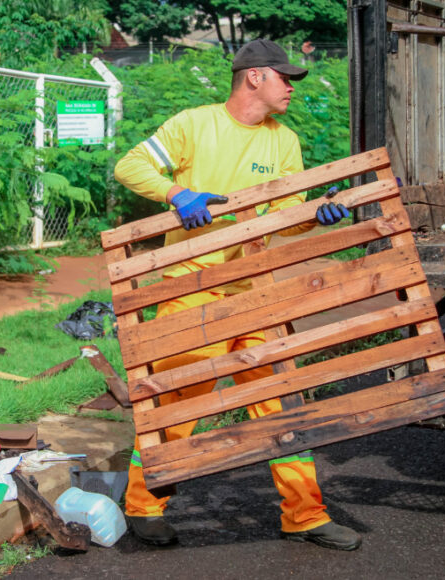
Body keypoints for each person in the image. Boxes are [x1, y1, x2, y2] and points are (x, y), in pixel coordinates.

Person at [112, 38, 359, 550]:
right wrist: (176, 194)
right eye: (284, 77)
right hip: (190, 288)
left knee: (279, 403)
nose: (291, 86)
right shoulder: (193, 125)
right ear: (254, 77)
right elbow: (130, 165)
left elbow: (283, 222)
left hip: (252, 291)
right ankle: (142, 506)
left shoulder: (283, 142)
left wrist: (315, 214)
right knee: (180, 400)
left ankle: (306, 515)